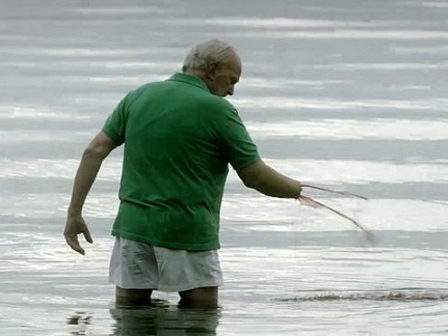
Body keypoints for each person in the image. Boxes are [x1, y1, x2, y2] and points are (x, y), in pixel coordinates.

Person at [64, 39, 303, 309]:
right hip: (186, 231)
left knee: (131, 314)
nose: (232, 91)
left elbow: (93, 151)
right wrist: (299, 190)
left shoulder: (139, 96)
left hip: (133, 229)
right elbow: (254, 175)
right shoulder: (218, 110)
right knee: (201, 314)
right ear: (213, 70)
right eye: (232, 80)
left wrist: (74, 213)